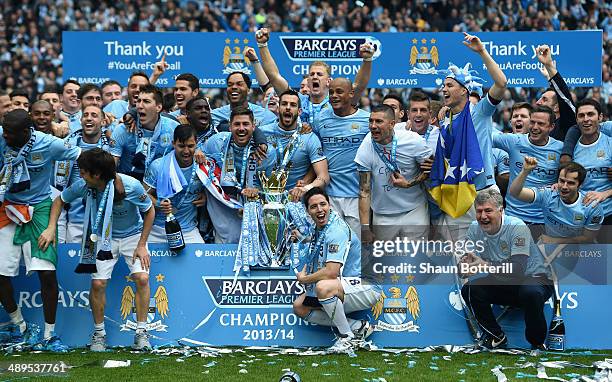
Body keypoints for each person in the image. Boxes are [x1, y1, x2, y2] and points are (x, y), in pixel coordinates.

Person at [40, 148, 155, 351]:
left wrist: (142, 244)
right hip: (101, 237)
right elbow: (59, 200)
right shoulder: (86, 186)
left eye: (83, 172)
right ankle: (99, 334)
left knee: (142, 278)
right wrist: (50, 228)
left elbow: (149, 211)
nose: (81, 175)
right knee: (98, 284)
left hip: (132, 236)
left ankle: (141, 333)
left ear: (97, 174)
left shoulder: (130, 186)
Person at [0, 109, 81, 351]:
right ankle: (18, 326)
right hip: (8, 206)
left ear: (26, 132)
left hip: (40, 208)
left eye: (10, 133)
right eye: (4, 131)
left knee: (46, 273)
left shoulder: (50, 144)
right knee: (0, 274)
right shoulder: (2, 137)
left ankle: (49, 335)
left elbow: (83, 158)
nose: (5, 137)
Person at [459, 188, 553, 350]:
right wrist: (465, 266)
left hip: (535, 279)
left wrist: (485, 265)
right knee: (469, 289)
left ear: (501, 211)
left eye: (488, 211)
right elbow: (466, 263)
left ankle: (536, 342)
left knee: (530, 291)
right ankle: (496, 337)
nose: (483, 216)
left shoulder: (517, 227)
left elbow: (517, 270)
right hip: (504, 283)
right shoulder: (474, 228)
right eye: (479, 211)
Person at [436, 32, 508, 235]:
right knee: (461, 256)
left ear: (464, 90)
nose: (444, 89)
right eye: (443, 86)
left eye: (449, 85)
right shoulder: (446, 121)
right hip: (457, 192)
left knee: (494, 252)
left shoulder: (480, 112)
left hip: (483, 191)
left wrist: (482, 51)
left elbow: (501, 83)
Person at [292, 187, 380, 353]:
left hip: (367, 285)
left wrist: (304, 279)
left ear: (329, 205)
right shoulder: (320, 229)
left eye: (323, 204)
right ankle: (358, 327)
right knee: (299, 306)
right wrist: (302, 239)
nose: (319, 209)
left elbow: (332, 272)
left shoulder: (336, 230)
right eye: (314, 207)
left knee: (323, 287)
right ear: (307, 211)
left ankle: (346, 338)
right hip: (344, 285)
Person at [255, 27, 374, 126]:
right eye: (312, 74)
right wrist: (262, 45)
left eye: (319, 74)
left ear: (329, 81)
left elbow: (359, 86)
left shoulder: (338, 101)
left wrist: (367, 59)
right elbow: (274, 76)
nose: (315, 77)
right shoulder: (297, 100)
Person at [356, 105, 432, 241]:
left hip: (414, 211)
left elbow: (430, 169)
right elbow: (364, 191)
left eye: (378, 121)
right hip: (383, 215)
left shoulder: (413, 141)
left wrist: (409, 184)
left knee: (417, 257)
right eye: (371, 121)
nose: (373, 126)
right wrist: (365, 227)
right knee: (386, 261)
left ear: (392, 124)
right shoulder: (366, 146)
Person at [203, 107, 276, 243]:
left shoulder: (267, 153)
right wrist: (198, 152)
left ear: (254, 126)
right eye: (237, 124)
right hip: (225, 203)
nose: (241, 128)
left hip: (254, 204)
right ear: (230, 127)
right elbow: (199, 162)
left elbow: (271, 190)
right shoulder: (216, 143)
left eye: (246, 124)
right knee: (227, 243)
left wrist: (257, 192)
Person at [311, 77, 370, 237]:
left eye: (339, 92)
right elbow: (314, 153)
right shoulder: (321, 118)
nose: (334, 96)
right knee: (333, 246)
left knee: (356, 248)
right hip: (329, 196)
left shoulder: (366, 120)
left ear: (351, 94)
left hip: (357, 197)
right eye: (331, 92)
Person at [492, 105, 563, 224]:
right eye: (532, 122)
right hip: (513, 217)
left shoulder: (560, 148)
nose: (535, 127)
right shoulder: (514, 141)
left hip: (545, 219)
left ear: (551, 127)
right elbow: (482, 134)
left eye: (540, 124)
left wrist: (559, 183)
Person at [509, 157, 603, 243]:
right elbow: (515, 193)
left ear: (580, 185)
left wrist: (556, 240)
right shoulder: (549, 194)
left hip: (577, 250)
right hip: (549, 246)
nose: (564, 187)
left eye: (570, 183)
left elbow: (587, 238)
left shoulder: (592, 207)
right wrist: (525, 171)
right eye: (561, 181)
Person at [259, 89, 329, 200]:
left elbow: (323, 177)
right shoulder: (261, 133)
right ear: (278, 108)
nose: (288, 107)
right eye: (284, 104)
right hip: (264, 199)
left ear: (299, 111)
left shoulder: (309, 138)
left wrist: (306, 188)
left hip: (295, 201)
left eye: (293, 105)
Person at [58, 104, 112, 243]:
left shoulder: (112, 147)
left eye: (94, 115)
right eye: (85, 115)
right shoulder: (65, 145)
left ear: (103, 121)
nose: (89, 118)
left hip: (103, 220)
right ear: (80, 120)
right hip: (75, 219)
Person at [144, 125, 206, 243]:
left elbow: (214, 188)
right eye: (181, 146)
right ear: (173, 144)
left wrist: (205, 195)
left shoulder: (203, 165)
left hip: (188, 230)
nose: (186, 151)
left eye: (190, 146)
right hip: (157, 229)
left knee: (200, 260)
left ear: (196, 144)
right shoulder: (157, 166)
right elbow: (143, 194)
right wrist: (158, 203)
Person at [110, 84, 179, 180]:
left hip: (161, 181)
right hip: (127, 181)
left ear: (158, 107)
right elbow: (111, 166)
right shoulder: (123, 129)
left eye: (146, 101)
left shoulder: (173, 128)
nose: (140, 106)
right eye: (138, 101)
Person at [571, 99, 612, 226]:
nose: (586, 119)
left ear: (600, 117)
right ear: (577, 119)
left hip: (609, 214)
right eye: (581, 115)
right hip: (580, 216)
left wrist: (605, 194)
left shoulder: (610, 144)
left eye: (590, 114)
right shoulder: (570, 149)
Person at [210, 71, 277, 131]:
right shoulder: (214, 115)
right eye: (230, 85)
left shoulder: (266, 116)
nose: (234, 87)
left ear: (248, 89)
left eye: (239, 84)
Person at [535, 45, 576, 141]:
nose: (538, 102)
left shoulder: (566, 123)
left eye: (544, 99)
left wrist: (549, 66)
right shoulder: (535, 127)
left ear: (557, 107)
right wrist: (549, 78)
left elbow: (564, 97)